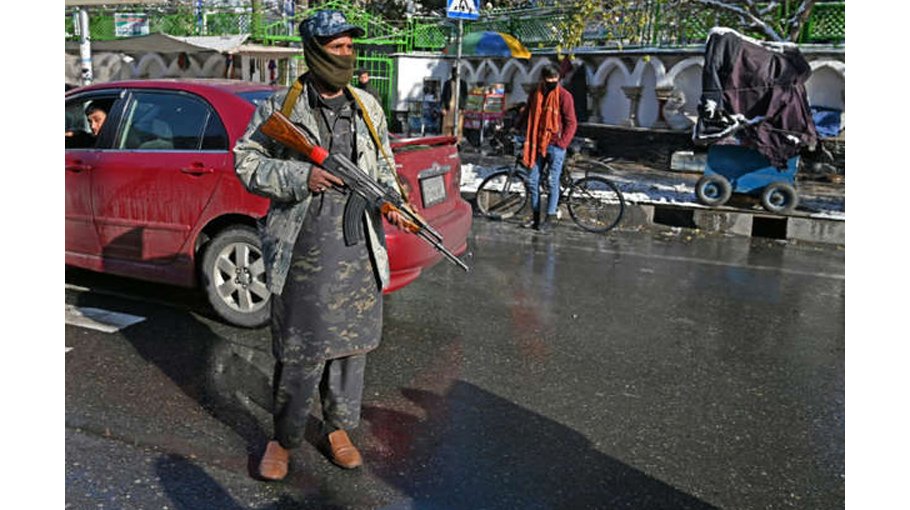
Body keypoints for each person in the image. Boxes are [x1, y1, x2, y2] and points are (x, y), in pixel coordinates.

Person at [233, 9, 408, 481]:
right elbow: (245, 162)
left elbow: (385, 163)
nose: (346, 55)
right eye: (337, 47)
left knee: (352, 348)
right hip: (305, 250)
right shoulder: (281, 108)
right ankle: (284, 437)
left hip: (359, 246)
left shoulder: (367, 107)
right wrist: (298, 175)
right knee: (300, 350)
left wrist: (394, 200)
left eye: (351, 47)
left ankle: (338, 429)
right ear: (314, 51)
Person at [517, 63, 578, 232]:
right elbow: (527, 112)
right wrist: (516, 127)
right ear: (542, 79)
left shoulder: (564, 96)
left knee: (552, 182)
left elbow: (571, 122)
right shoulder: (535, 94)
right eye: (549, 80)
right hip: (536, 143)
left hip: (555, 146)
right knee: (532, 180)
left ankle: (550, 217)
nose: (552, 82)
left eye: (555, 80)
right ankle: (536, 217)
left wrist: (562, 143)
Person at [440, 67, 467, 140]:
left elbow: (465, 97)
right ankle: (447, 142)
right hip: (449, 108)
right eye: (454, 73)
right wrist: (443, 108)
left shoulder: (463, 84)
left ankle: (458, 143)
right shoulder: (447, 83)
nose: (456, 74)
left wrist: (463, 108)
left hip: (459, 108)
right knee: (447, 127)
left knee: (458, 127)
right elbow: (443, 96)